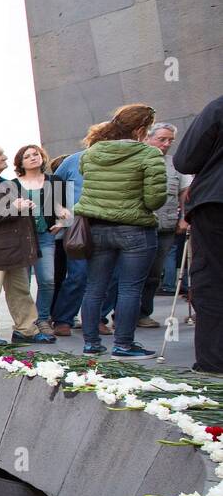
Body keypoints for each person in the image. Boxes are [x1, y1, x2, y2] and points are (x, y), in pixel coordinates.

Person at [74, 104, 167, 358]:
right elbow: (154, 200)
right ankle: (123, 345)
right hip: (135, 229)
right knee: (130, 289)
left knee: (94, 287)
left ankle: (91, 344)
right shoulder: (149, 154)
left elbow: (87, 180)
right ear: (140, 129)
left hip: (97, 228)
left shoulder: (91, 154)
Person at [0, 145, 53, 347]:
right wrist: (14, 208)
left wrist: (22, 207)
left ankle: (27, 330)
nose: (5, 157)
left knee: (21, 292)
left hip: (13, 250)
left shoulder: (1, 183)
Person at [173, 93, 223, 374]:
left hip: (216, 202)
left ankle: (215, 362)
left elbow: (185, 160)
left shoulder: (219, 106)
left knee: (214, 279)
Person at [12, 144, 71, 335]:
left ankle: (43, 318)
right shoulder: (12, 184)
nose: (33, 158)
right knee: (22, 283)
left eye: (35, 154)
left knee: (47, 280)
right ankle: (24, 320)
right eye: (27, 156)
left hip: (45, 236)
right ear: (21, 162)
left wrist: (63, 221)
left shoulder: (55, 181)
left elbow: (66, 209)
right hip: (21, 239)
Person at [139, 123, 191, 327]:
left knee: (154, 274)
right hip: (140, 226)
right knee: (132, 274)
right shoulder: (139, 159)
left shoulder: (175, 163)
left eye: (170, 140)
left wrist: (184, 218)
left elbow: (184, 193)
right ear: (148, 138)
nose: (166, 144)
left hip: (166, 226)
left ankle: (143, 313)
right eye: (162, 139)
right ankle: (122, 315)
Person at [49, 150, 89, 336]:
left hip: (109, 222)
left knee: (110, 276)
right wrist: (61, 213)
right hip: (78, 224)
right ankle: (63, 319)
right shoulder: (73, 160)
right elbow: (53, 187)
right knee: (77, 274)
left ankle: (99, 319)